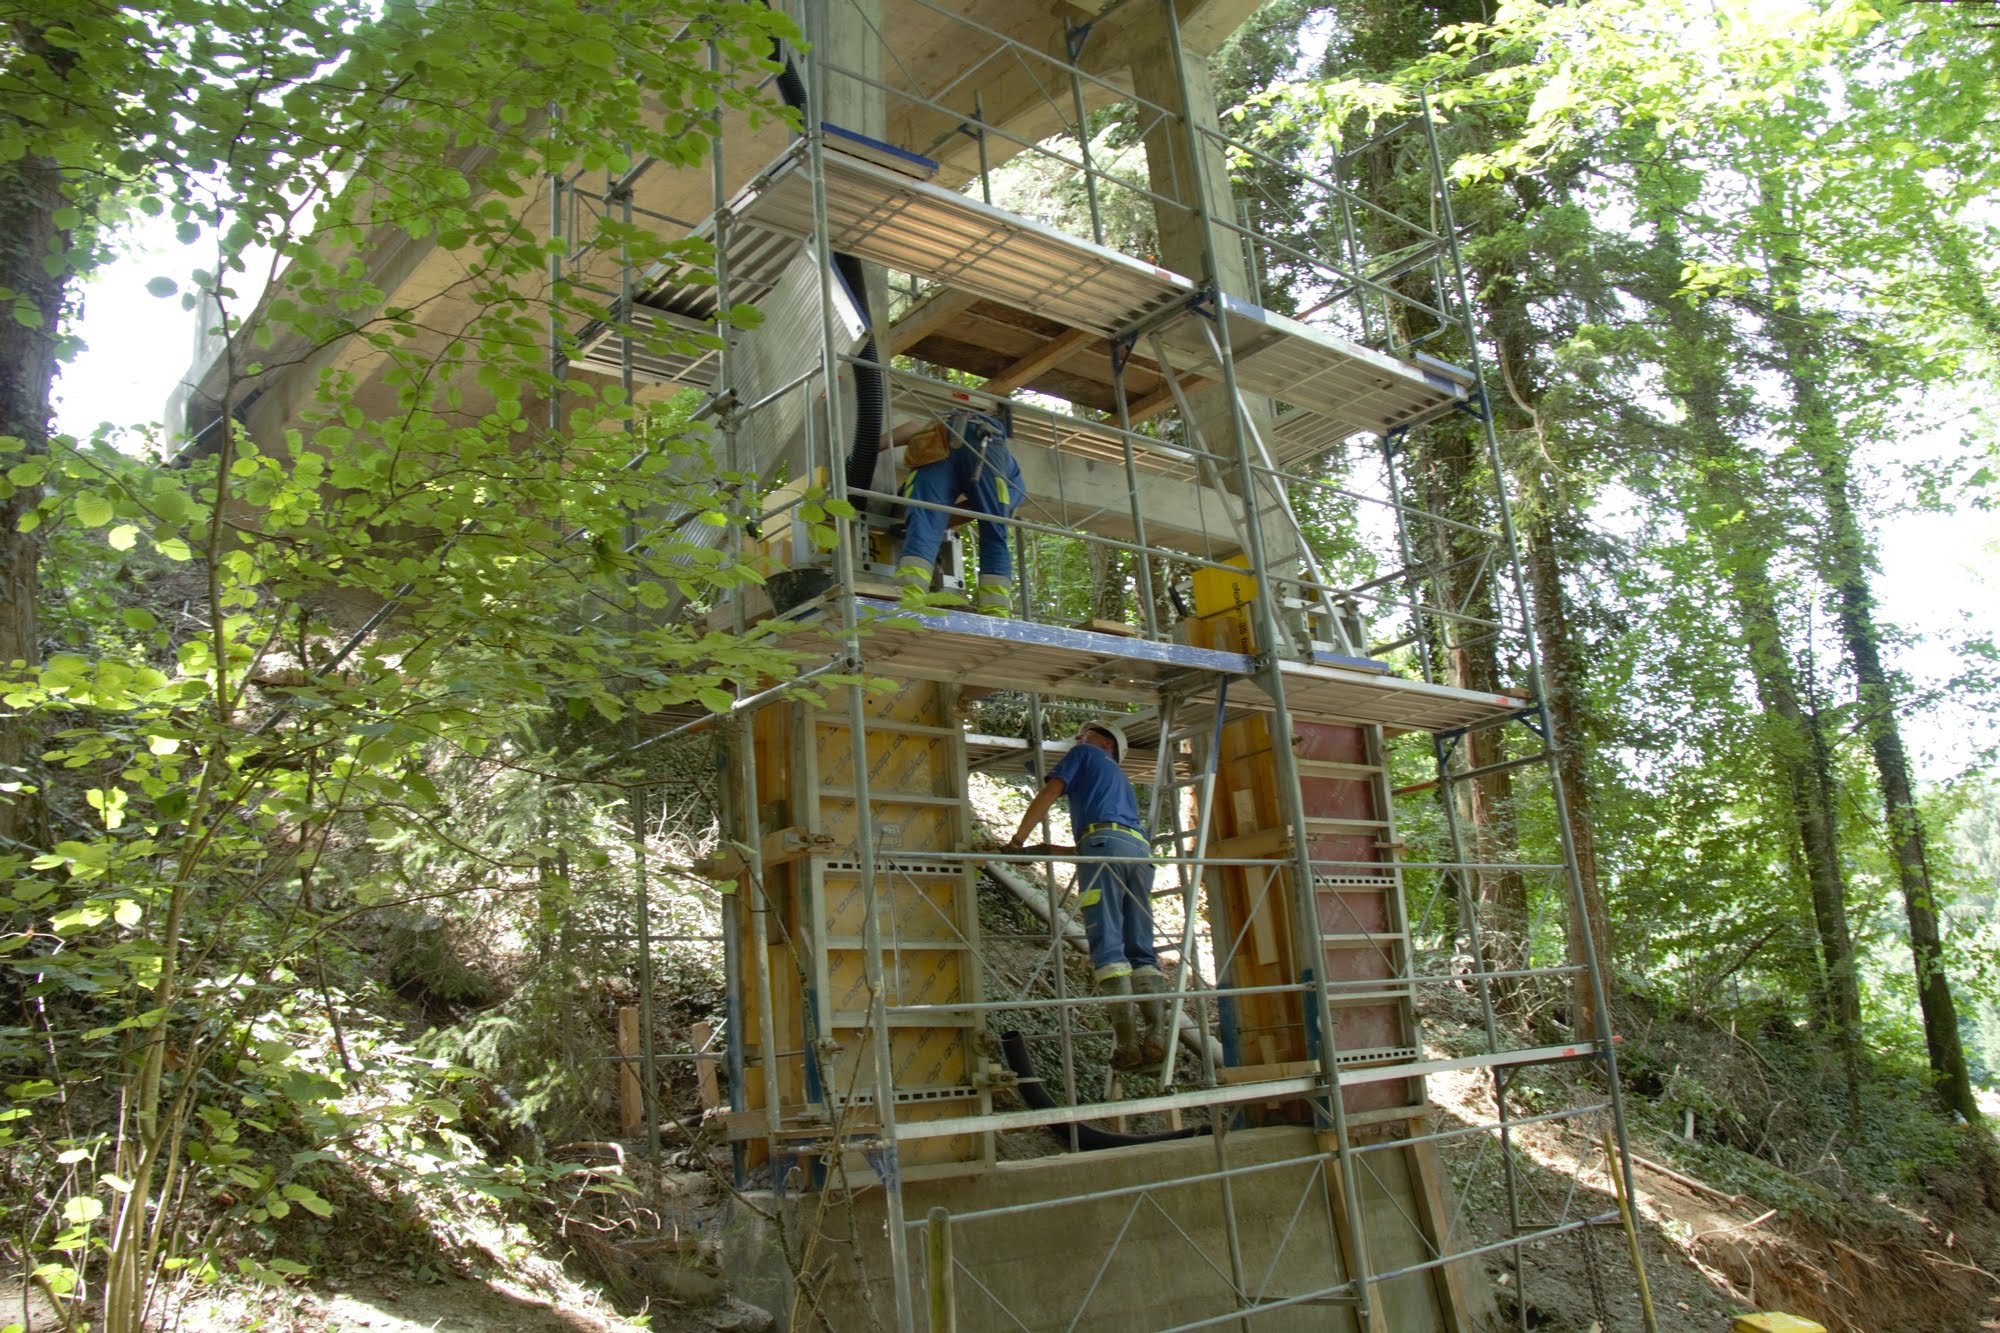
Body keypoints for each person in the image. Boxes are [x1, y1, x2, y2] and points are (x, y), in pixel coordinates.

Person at [1004, 719, 1167, 1072]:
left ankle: (1126, 1046)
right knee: (1140, 947)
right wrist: (1046, 849)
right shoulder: (1119, 781)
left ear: (1107, 744)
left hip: (1103, 847)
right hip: (1139, 854)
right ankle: (1156, 1036)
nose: (1079, 738)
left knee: (1108, 945)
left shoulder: (1084, 754)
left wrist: (1016, 841)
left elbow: (1049, 793)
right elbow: (1108, 836)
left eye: (1088, 734)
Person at [893, 404, 1022, 615]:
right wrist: (948, 519)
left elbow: (912, 427)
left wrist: (866, 448)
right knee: (994, 533)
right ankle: (995, 611)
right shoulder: (1013, 478)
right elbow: (991, 513)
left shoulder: (1012, 474)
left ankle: (910, 599)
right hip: (987, 441)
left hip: (940, 434)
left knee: (924, 521)